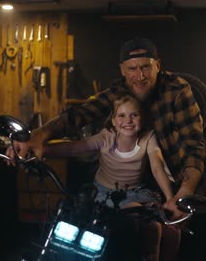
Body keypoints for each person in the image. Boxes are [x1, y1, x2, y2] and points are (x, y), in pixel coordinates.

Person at [6, 37, 206, 260]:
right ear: (122, 70)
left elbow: (194, 146)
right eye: (132, 68)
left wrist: (184, 193)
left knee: (197, 250)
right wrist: (37, 138)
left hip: (196, 182)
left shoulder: (178, 90)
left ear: (158, 65)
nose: (139, 76)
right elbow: (79, 115)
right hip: (156, 188)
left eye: (146, 67)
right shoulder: (120, 93)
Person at [43, 94, 182, 260]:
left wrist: (170, 199)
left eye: (134, 115)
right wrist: (43, 151)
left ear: (142, 119)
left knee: (153, 227)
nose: (128, 120)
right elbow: (74, 148)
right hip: (102, 192)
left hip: (133, 193)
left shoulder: (148, 138)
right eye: (122, 115)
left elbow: (157, 166)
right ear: (114, 122)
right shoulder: (106, 138)